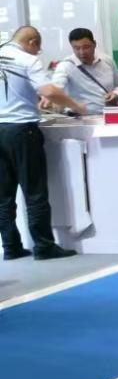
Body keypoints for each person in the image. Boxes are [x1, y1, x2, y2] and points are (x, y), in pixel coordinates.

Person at [0, 26, 87, 261]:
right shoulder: (27, 60)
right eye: (38, 48)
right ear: (32, 42)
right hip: (22, 131)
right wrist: (76, 106)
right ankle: (44, 246)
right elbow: (48, 90)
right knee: (35, 192)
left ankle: (10, 246)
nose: (38, 52)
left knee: (3, 196)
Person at [52, 27, 118, 114]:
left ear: (94, 44)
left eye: (86, 47)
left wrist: (116, 94)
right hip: (79, 118)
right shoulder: (65, 66)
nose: (82, 52)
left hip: (109, 115)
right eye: (76, 48)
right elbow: (56, 88)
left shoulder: (107, 61)